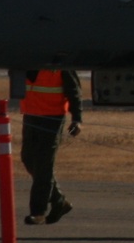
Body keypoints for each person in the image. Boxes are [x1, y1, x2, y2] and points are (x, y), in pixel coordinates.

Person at [10, 67, 83, 224]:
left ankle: (38, 212)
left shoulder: (61, 65)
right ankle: (59, 201)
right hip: (30, 115)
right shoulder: (24, 61)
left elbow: (74, 91)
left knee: (44, 164)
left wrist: (77, 119)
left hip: (53, 119)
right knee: (28, 159)